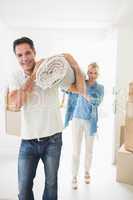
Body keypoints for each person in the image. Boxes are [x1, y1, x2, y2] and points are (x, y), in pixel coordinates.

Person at [7, 36, 82, 200]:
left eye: (27, 53)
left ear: (34, 52)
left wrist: (75, 65)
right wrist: (34, 76)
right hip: (28, 141)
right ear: (16, 57)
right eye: (19, 55)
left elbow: (76, 88)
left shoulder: (51, 70)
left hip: (53, 140)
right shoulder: (15, 77)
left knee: (51, 185)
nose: (24, 58)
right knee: (24, 189)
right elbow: (16, 104)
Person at [64, 63, 104, 189]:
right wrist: (74, 88)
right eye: (90, 72)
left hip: (90, 122)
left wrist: (83, 93)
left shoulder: (100, 88)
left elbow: (96, 101)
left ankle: (87, 171)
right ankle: (74, 176)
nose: (92, 75)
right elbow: (67, 89)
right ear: (87, 72)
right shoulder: (81, 83)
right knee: (76, 150)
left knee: (89, 150)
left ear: (98, 74)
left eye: (95, 73)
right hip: (77, 119)